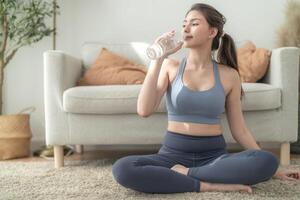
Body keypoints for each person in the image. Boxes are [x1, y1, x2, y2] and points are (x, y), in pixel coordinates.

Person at [112, 3, 300, 194]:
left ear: (212, 32)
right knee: (122, 168)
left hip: (214, 157)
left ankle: (185, 174)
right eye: (184, 23)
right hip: (171, 155)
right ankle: (206, 184)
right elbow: (144, 110)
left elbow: (240, 131)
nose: (185, 28)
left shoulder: (229, 75)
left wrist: (274, 170)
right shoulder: (170, 67)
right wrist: (157, 59)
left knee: (267, 161)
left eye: (194, 23)